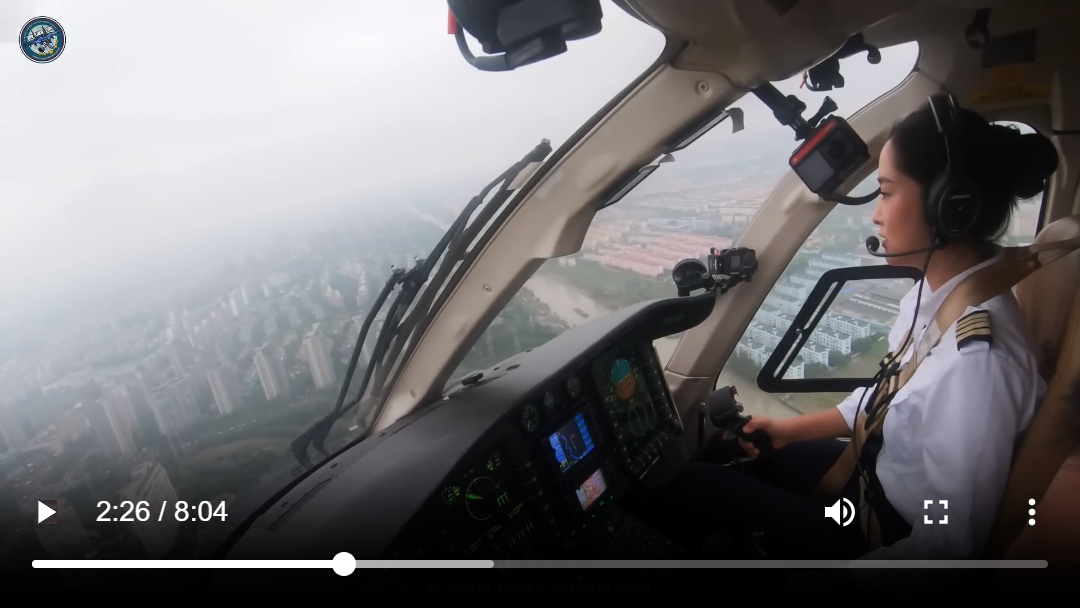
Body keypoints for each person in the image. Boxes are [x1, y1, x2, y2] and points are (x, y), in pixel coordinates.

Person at [674, 96, 1059, 587]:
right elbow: (885, 394)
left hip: (880, 531)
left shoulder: (975, 366)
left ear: (951, 207)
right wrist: (790, 430)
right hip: (871, 479)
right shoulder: (940, 299)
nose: (875, 215)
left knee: (698, 486)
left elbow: (946, 544)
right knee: (723, 451)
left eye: (886, 192)